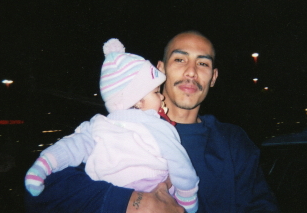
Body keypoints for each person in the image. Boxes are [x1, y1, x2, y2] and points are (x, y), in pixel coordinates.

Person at [25, 31, 279, 213]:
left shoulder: (233, 142)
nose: (191, 71)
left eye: (203, 63)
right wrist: (129, 202)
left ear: (213, 77)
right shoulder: (118, 128)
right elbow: (40, 195)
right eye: (180, 59)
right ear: (160, 70)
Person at [25, 38, 199, 213]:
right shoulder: (157, 127)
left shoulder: (97, 125)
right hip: (153, 189)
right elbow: (181, 164)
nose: (161, 97)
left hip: (112, 194)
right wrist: (187, 198)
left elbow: (70, 147)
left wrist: (42, 166)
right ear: (138, 101)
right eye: (155, 92)